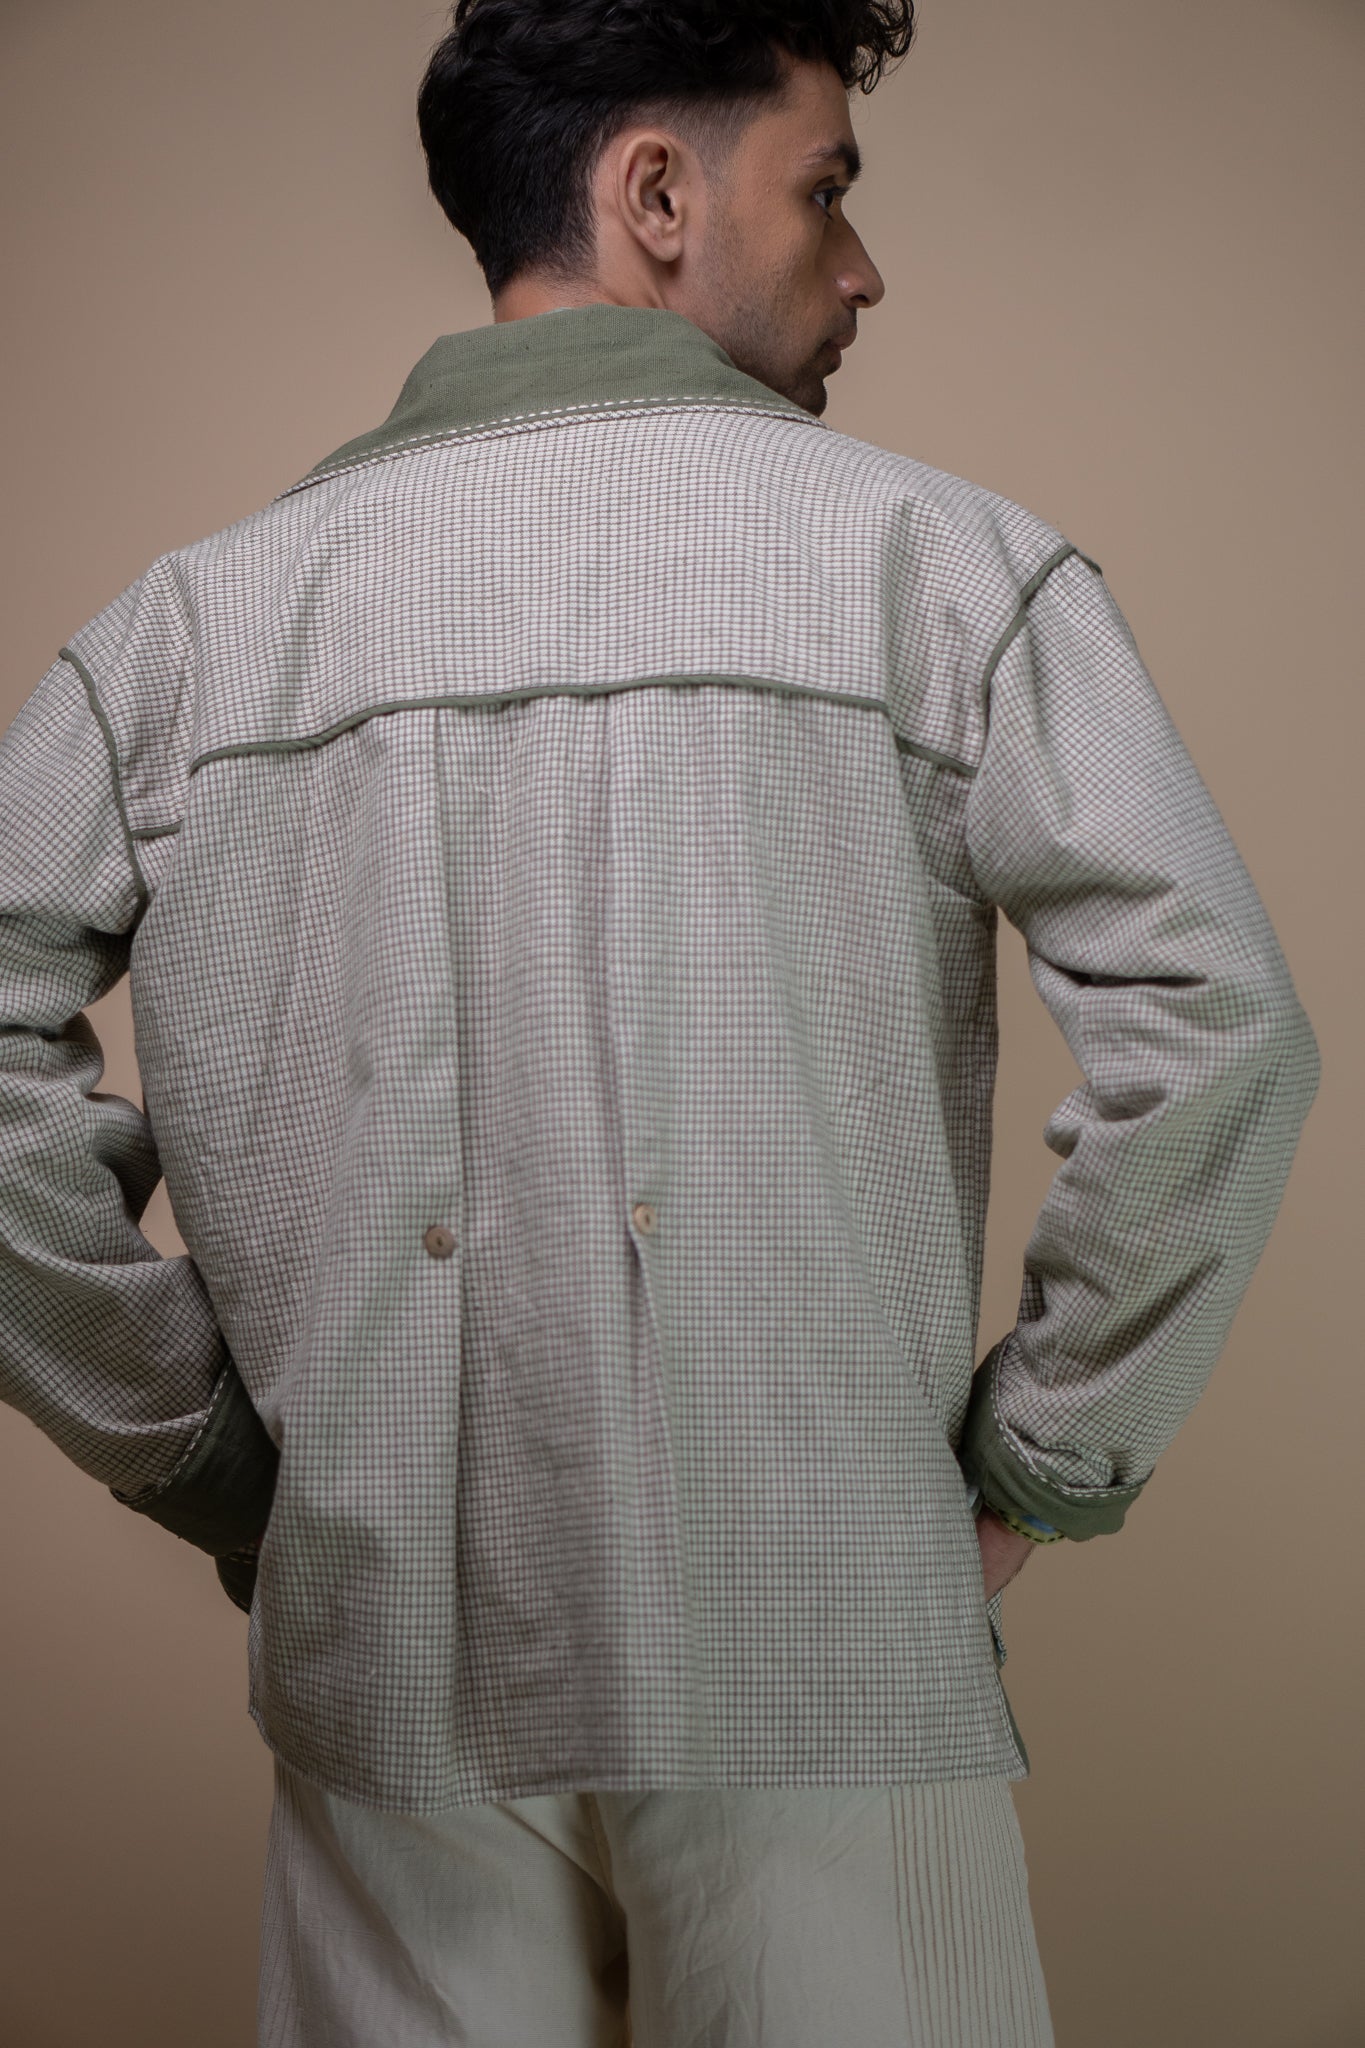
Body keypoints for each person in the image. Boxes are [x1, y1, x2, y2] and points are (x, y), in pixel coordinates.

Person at [0, 2, 1320, 2043]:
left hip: (386, 1643)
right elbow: (1216, 1023)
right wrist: (1040, 1464)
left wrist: (208, 1456)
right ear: (653, 194)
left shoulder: (187, 636)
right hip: (825, 1651)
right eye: (826, 188)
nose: (861, 267)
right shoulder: (940, 571)